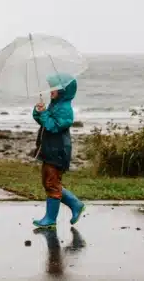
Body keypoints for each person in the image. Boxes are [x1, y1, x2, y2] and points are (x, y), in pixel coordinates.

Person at [32, 73, 86, 229]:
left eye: (54, 88)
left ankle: (51, 219)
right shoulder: (55, 104)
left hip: (57, 151)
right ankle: (75, 204)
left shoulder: (65, 109)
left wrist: (44, 114)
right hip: (49, 149)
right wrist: (39, 111)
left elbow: (52, 126)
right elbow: (43, 121)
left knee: (52, 183)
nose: (51, 91)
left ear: (63, 90)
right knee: (49, 181)